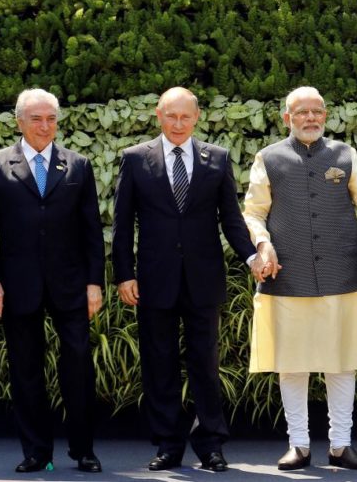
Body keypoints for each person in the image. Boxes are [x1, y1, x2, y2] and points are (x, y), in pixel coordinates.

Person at [112, 87, 260, 472]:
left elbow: (231, 219)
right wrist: (124, 274)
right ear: (158, 115)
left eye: (185, 117)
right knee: (158, 364)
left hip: (202, 279)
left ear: (197, 118)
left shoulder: (218, 158)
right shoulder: (135, 158)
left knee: (205, 365)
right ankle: (168, 445)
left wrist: (252, 256)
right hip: (153, 280)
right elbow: (122, 224)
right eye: (171, 116)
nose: (178, 124)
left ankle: (211, 445)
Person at [243, 86, 357, 471]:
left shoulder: (345, 154)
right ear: (286, 118)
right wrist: (263, 245)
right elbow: (253, 212)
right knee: (292, 364)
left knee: (342, 362)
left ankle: (341, 445)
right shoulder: (268, 158)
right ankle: (299, 445)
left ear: (325, 115)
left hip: (342, 274)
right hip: (287, 276)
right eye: (302, 112)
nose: (310, 118)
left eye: (317, 111)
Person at [0, 88, 104, 473]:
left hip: (71, 283)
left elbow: (92, 231)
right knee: (26, 368)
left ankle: (84, 450)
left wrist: (94, 282)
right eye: (36, 119)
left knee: (78, 365)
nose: (45, 126)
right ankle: (36, 452)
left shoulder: (78, 165)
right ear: (19, 121)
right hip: (17, 284)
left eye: (51, 119)